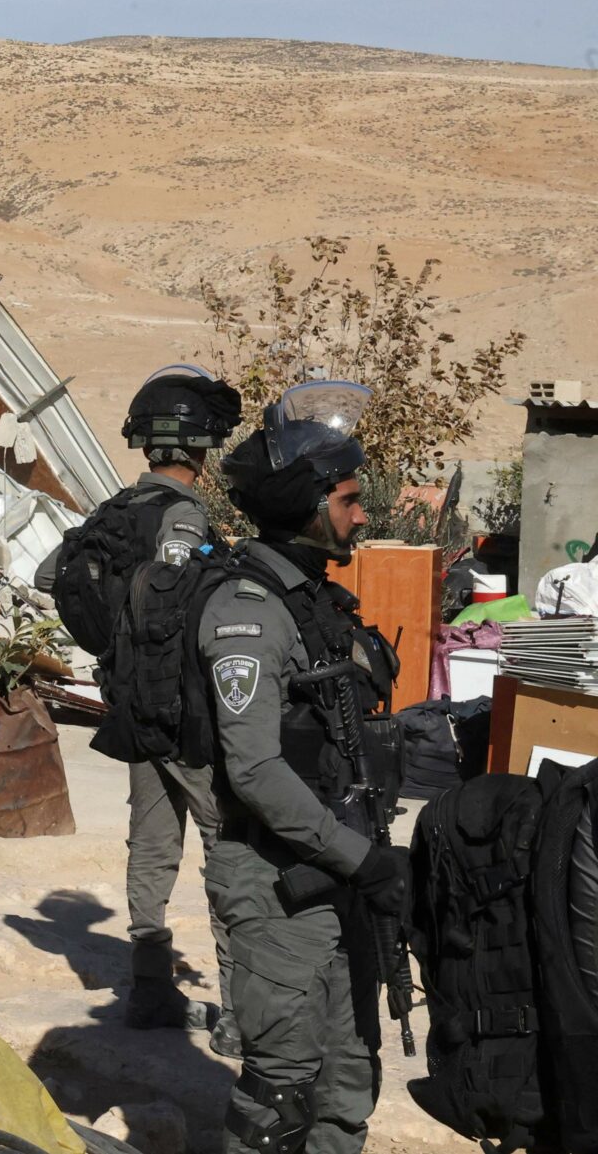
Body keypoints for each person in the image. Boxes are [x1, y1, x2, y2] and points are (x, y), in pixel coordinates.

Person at [203, 380, 406, 1154]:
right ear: (308, 502)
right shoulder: (248, 611)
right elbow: (254, 770)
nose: (362, 515)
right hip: (276, 879)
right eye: (350, 499)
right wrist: (362, 859)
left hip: (336, 864)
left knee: (349, 1082)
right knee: (281, 1090)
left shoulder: (314, 602)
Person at [100, 365, 246, 1052]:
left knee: (152, 847)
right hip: (185, 714)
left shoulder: (112, 512)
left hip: (131, 709)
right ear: (196, 447)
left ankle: (149, 989)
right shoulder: (182, 516)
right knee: (229, 845)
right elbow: (179, 591)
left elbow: (52, 577)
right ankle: (242, 1014)